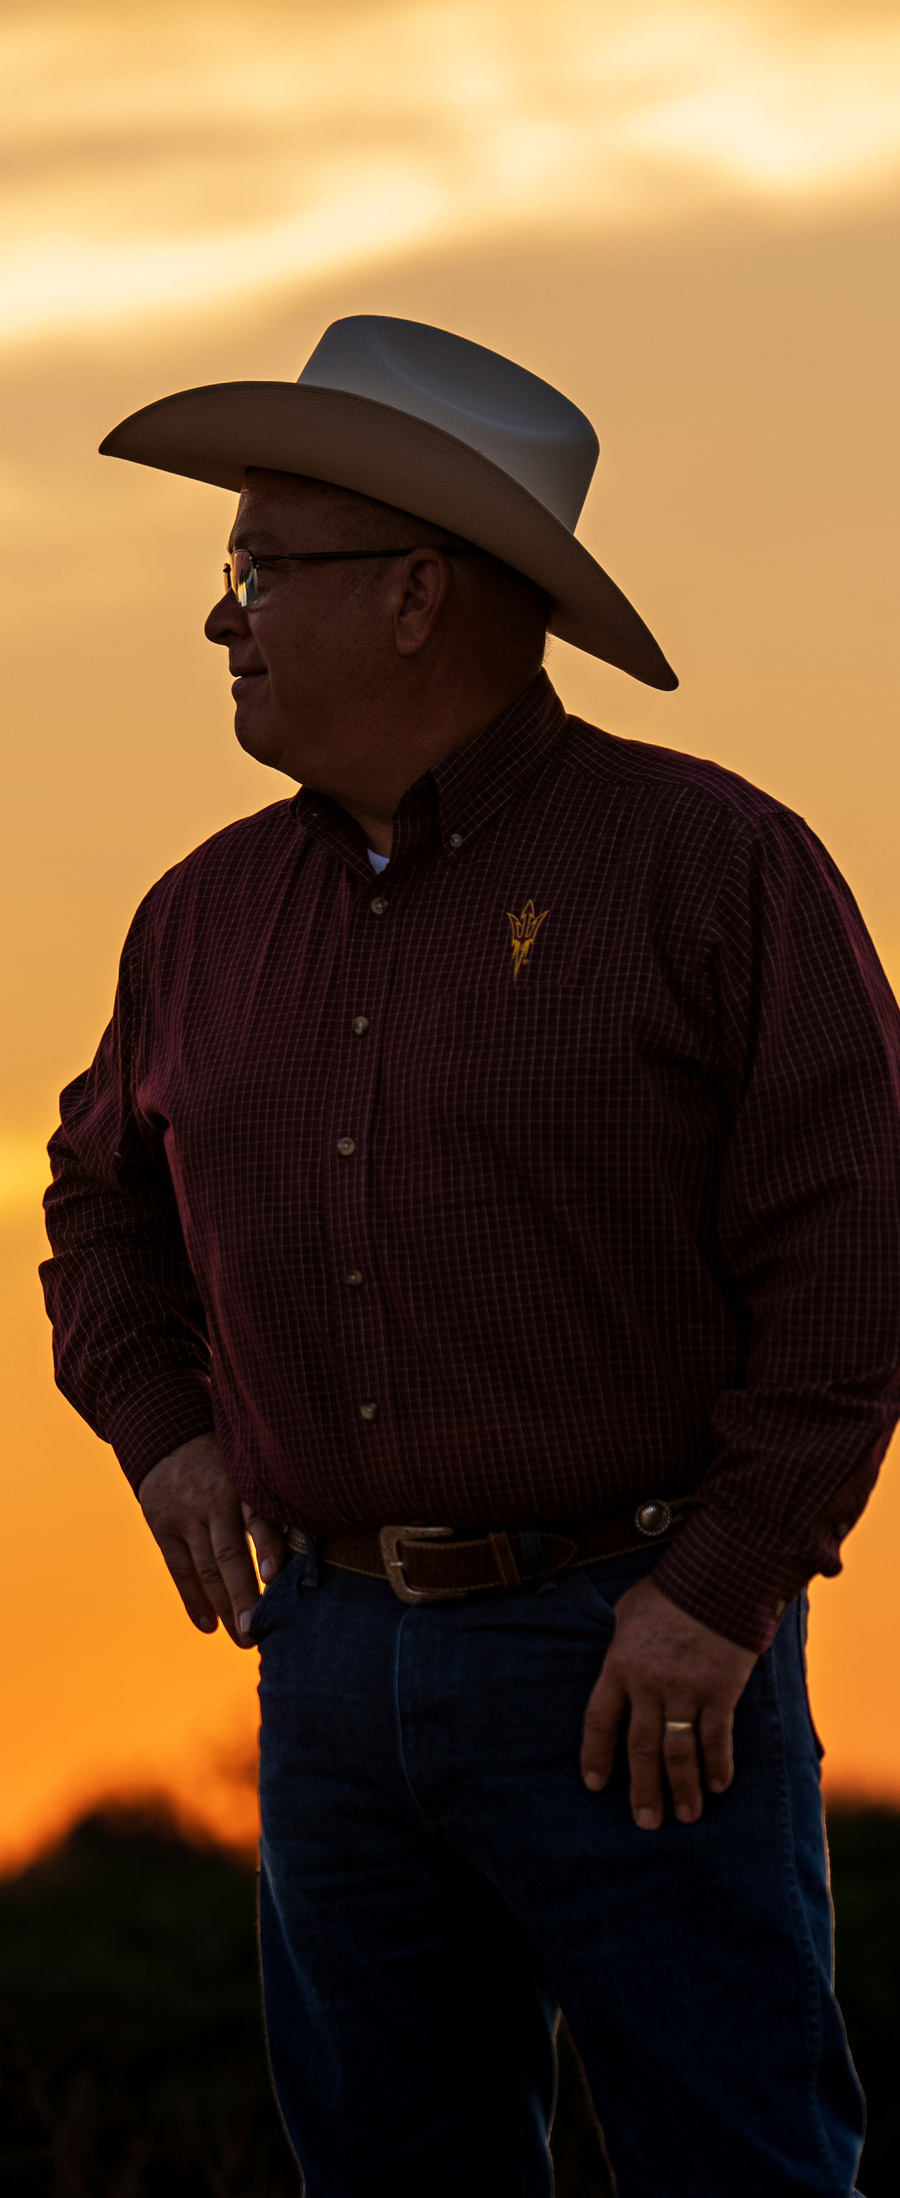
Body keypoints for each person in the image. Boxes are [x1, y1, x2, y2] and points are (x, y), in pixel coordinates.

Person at [41, 314, 900, 2197]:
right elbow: (93, 1200)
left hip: (642, 1662)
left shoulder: (716, 872)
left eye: (261, 567)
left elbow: (856, 1257)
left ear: (419, 592)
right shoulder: (197, 918)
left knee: (735, 2171)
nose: (223, 615)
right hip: (328, 1659)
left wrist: (725, 1591)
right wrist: (167, 1435)